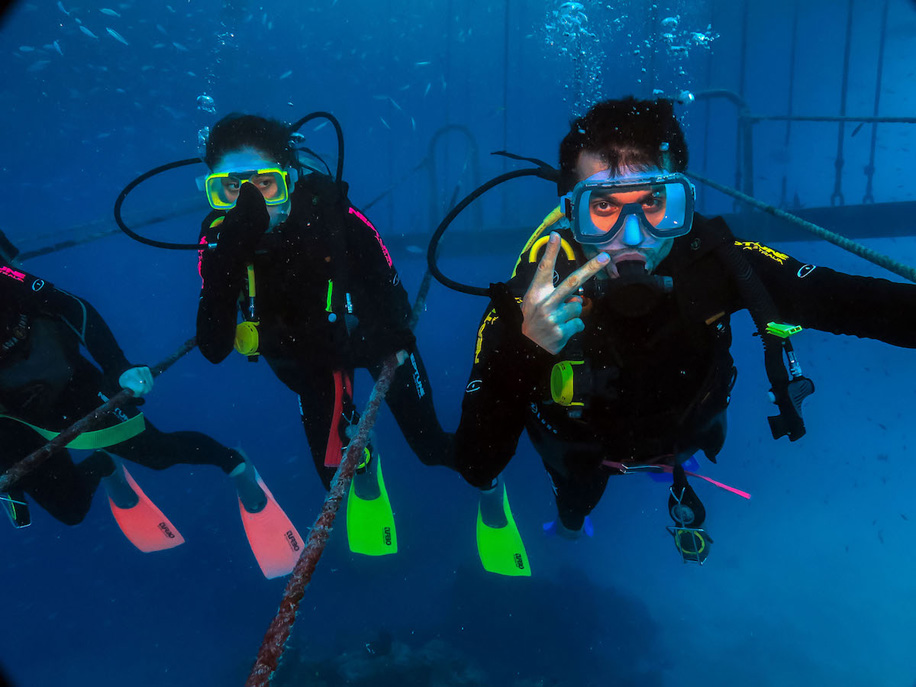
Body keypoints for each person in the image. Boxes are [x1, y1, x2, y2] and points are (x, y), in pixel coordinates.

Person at [454, 97, 916, 572]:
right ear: (573, 214)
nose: (633, 237)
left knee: (677, 458)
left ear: (682, 204)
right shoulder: (534, 298)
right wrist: (525, 347)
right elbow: (474, 460)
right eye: (604, 206)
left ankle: (649, 478)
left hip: (685, 435)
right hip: (582, 452)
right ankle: (556, 520)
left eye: (654, 202)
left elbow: (849, 301)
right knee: (573, 510)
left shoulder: (717, 265)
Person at [195, 113, 454, 556]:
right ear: (213, 190)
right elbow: (214, 347)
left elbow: (388, 282)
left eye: (265, 184)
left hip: (366, 336)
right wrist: (228, 256)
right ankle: (362, 459)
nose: (249, 205)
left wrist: (392, 340)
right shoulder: (217, 238)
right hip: (303, 358)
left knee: (431, 447)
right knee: (333, 477)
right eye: (231, 188)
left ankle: (482, 479)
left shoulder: (331, 212)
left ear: (290, 177)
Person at [0, 231, 301, 578]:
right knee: (72, 509)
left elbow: (73, 307)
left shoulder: (8, 280)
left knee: (158, 455)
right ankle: (105, 464)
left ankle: (233, 463)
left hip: (73, 386)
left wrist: (118, 367)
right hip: (16, 420)